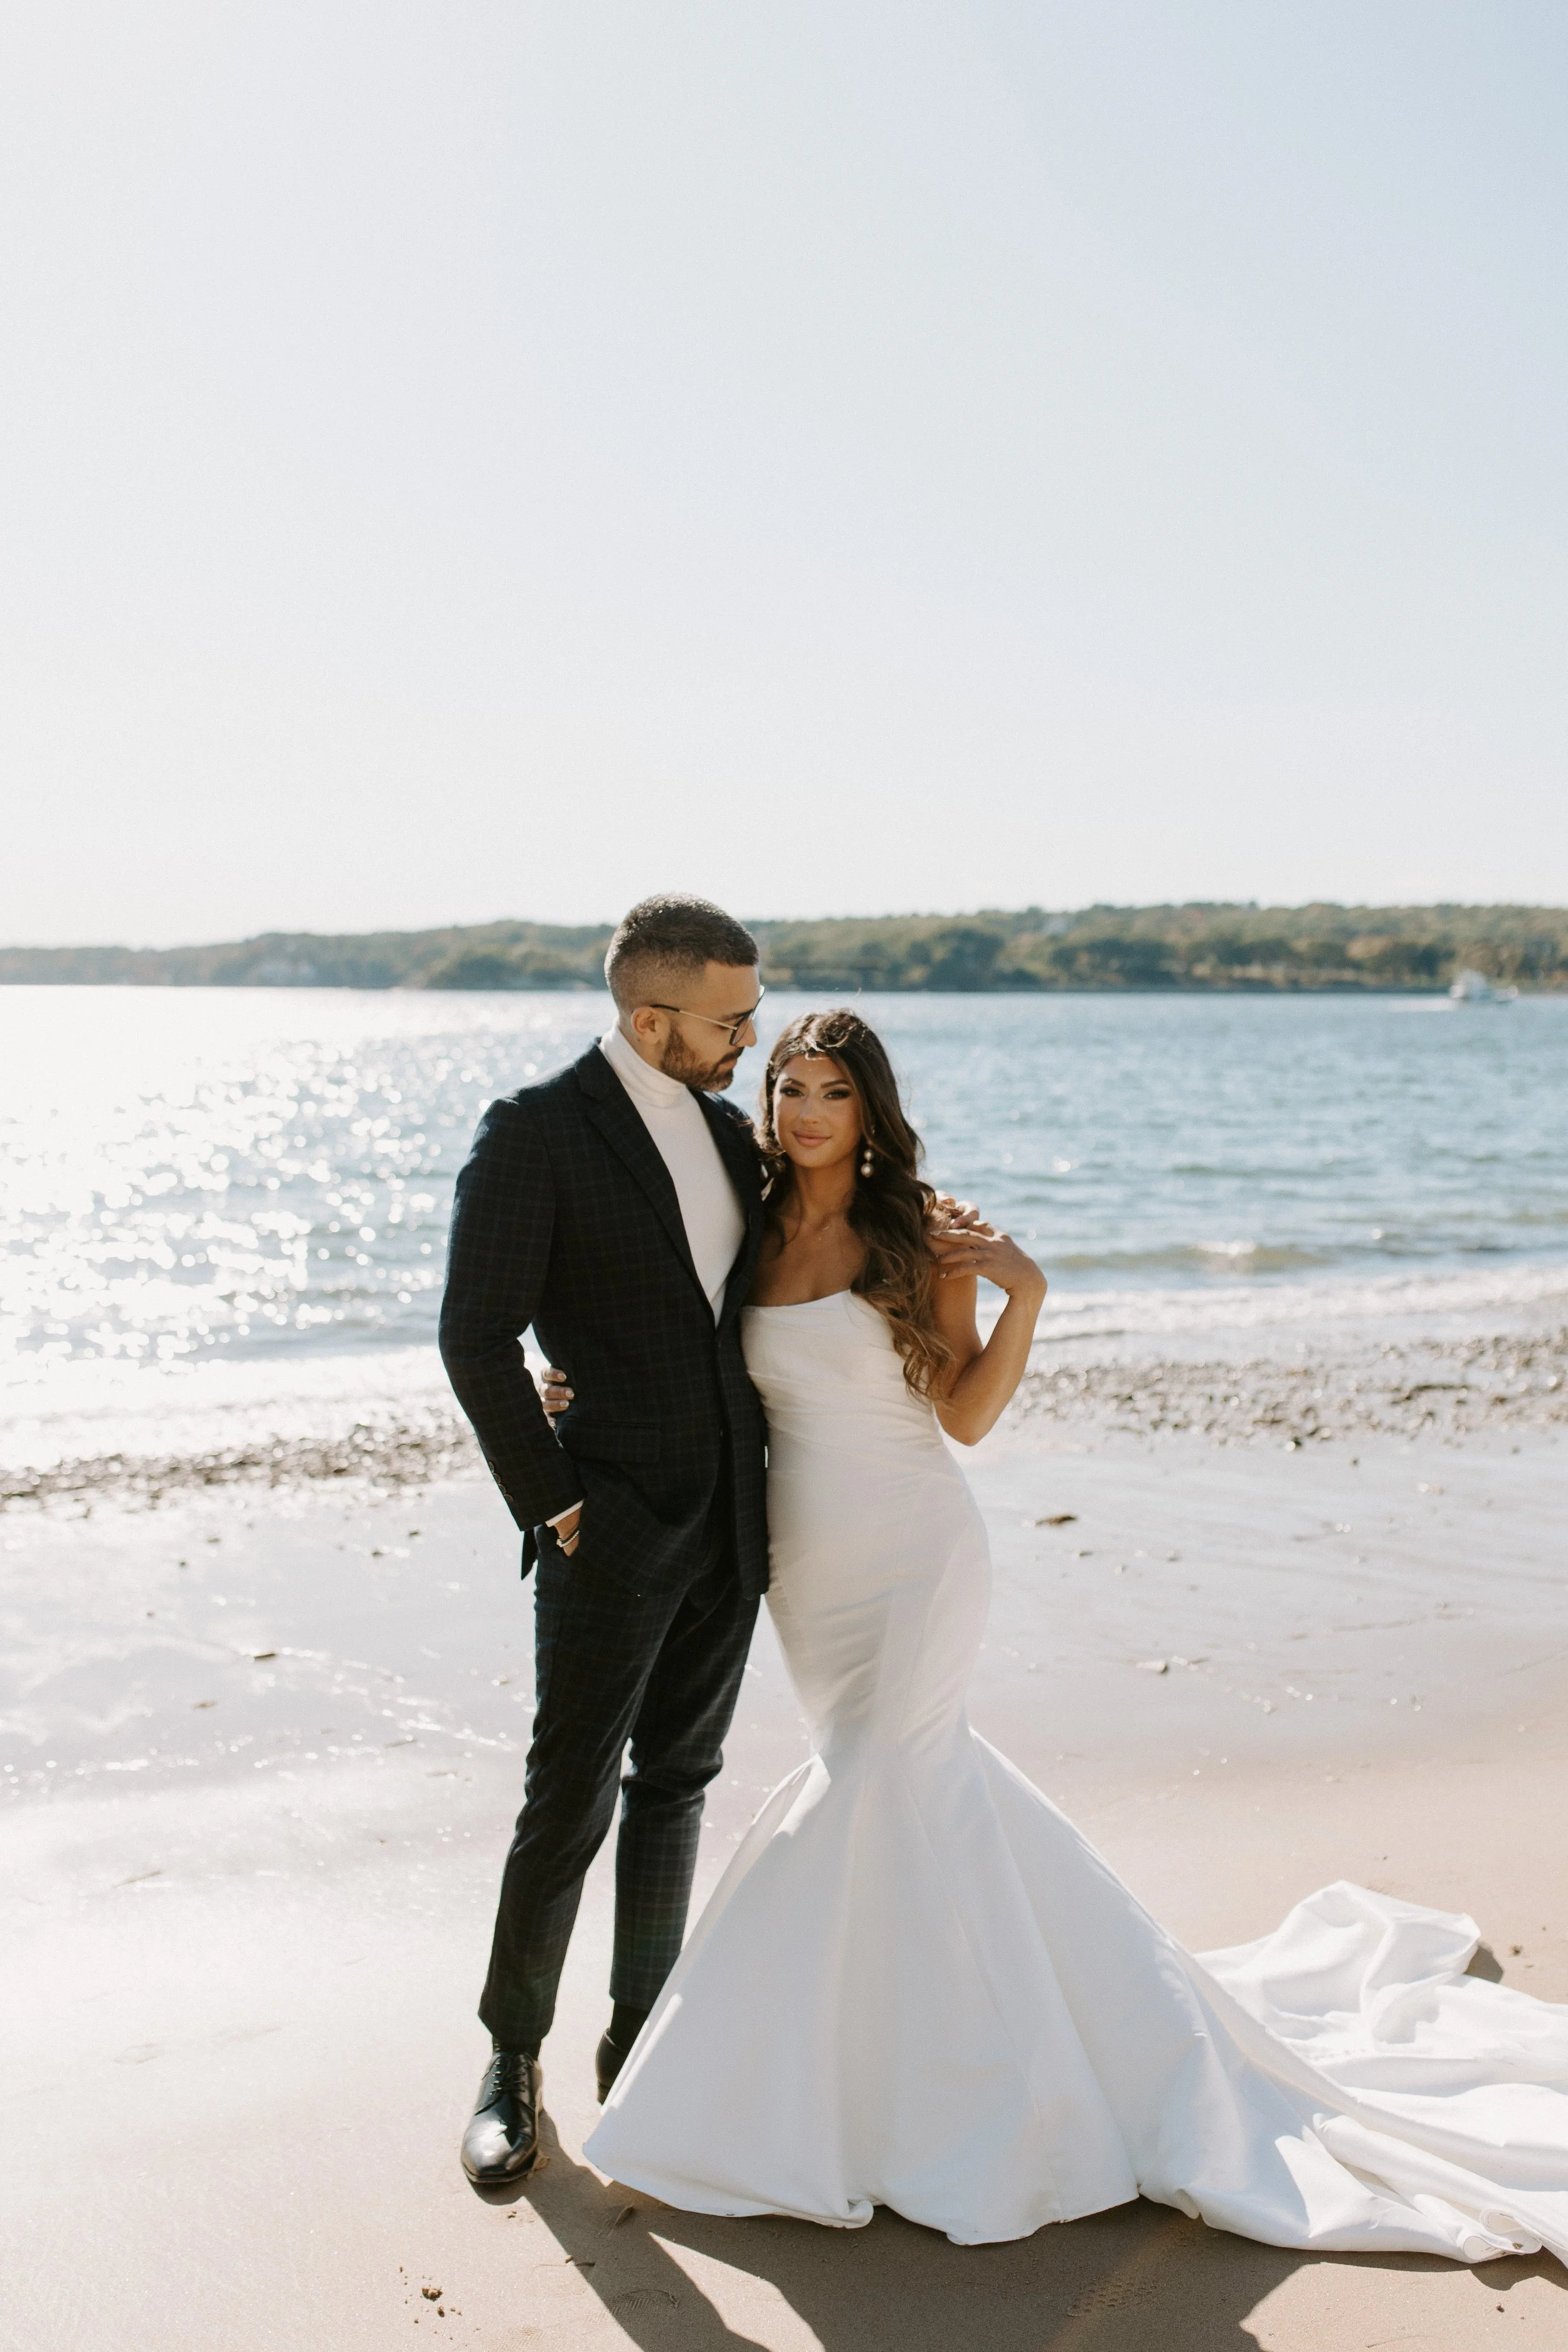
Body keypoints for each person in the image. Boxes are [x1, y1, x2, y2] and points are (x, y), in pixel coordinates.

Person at [580, 1007, 1568, 2262]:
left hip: (916, 1553)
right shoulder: (747, 1225)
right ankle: (895, 2076)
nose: (805, 1112)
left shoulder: (917, 1233)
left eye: (831, 1090)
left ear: (869, 1107)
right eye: (788, 1088)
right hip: (804, 1569)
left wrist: (1023, 1295)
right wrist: (579, 1386)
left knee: (873, 1782)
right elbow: (679, 1352)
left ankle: (879, 2103)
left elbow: (968, 1420)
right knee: (914, 1803)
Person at [439, 894, 771, 2187]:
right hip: (608, 1525)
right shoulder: (535, 1134)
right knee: (564, 1798)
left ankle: (640, 2043)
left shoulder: (730, 1128)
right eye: (729, 1018)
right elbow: (477, 1337)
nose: (747, 1035)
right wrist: (554, 1501)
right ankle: (510, 2061)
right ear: (651, 1017)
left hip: (734, 1521)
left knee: (678, 1783)